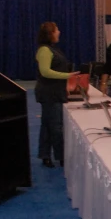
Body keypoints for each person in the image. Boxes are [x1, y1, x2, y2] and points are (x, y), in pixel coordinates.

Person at [35, 22, 77, 168]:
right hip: (49, 93)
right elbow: (45, 71)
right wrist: (67, 76)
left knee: (47, 125)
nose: (59, 32)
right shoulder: (45, 50)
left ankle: (45, 155)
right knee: (56, 127)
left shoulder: (53, 49)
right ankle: (61, 157)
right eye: (57, 30)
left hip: (54, 91)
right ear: (50, 33)